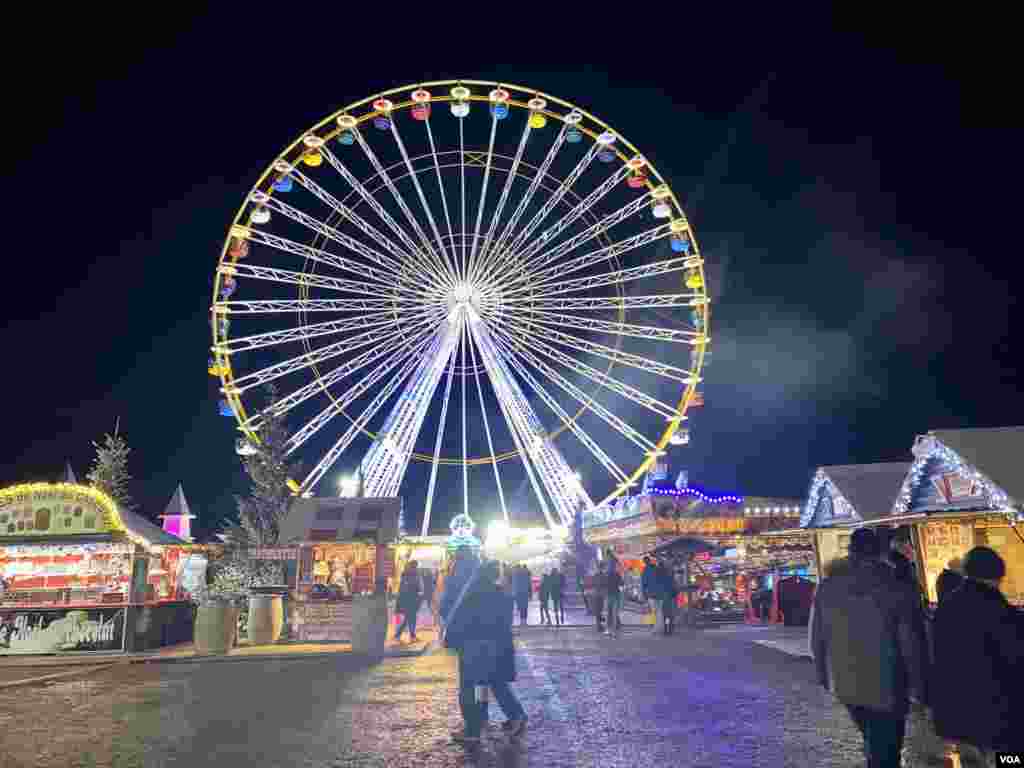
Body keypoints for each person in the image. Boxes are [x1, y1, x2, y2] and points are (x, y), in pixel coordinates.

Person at [810, 527, 928, 768]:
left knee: (874, 739)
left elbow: (817, 635)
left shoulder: (828, 586)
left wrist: (823, 672)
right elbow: (908, 639)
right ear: (879, 551)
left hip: (846, 682)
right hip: (887, 680)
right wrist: (919, 682)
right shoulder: (892, 584)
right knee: (886, 748)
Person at [931, 546, 1023, 763]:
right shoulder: (1000, 612)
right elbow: (1015, 661)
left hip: (958, 713)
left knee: (971, 762)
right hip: (998, 715)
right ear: (997, 575)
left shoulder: (946, 607)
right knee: (1010, 760)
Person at [445, 559, 528, 745]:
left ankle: (474, 728)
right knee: (486, 684)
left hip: (475, 645)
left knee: (471, 687)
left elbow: (463, 618)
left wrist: (453, 639)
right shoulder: (501, 592)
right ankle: (507, 716)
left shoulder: (475, 591)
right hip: (494, 646)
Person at [394, 560, 423, 642]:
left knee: (409, 618)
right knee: (410, 618)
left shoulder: (405, 575)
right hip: (411, 600)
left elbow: (402, 589)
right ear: (414, 566)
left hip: (406, 600)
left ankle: (403, 635)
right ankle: (409, 635)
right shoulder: (413, 575)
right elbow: (417, 587)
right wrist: (419, 594)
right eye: (416, 566)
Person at [657, 560, 677, 635]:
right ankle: (669, 629)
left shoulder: (661, 578)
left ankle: (667, 629)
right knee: (669, 615)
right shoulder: (669, 578)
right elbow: (674, 588)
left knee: (666, 616)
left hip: (665, 598)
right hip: (669, 598)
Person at [605, 558, 623, 637]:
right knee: (614, 614)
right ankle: (613, 631)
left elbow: (603, 585)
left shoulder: (606, 574)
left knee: (608, 613)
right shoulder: (617, 574)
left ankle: (608, 630)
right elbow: (621, 584)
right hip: (615, 595)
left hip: (608, 595)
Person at [590, 562, 607, 632]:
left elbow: (593, 584)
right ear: (602, 568)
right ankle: (599, 626)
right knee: (600, 611)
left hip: (596, 594)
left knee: (598, 611)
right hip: (600, 594)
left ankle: (599, 626)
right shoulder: (603, 575)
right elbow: (604, 584)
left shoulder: (596, 575)